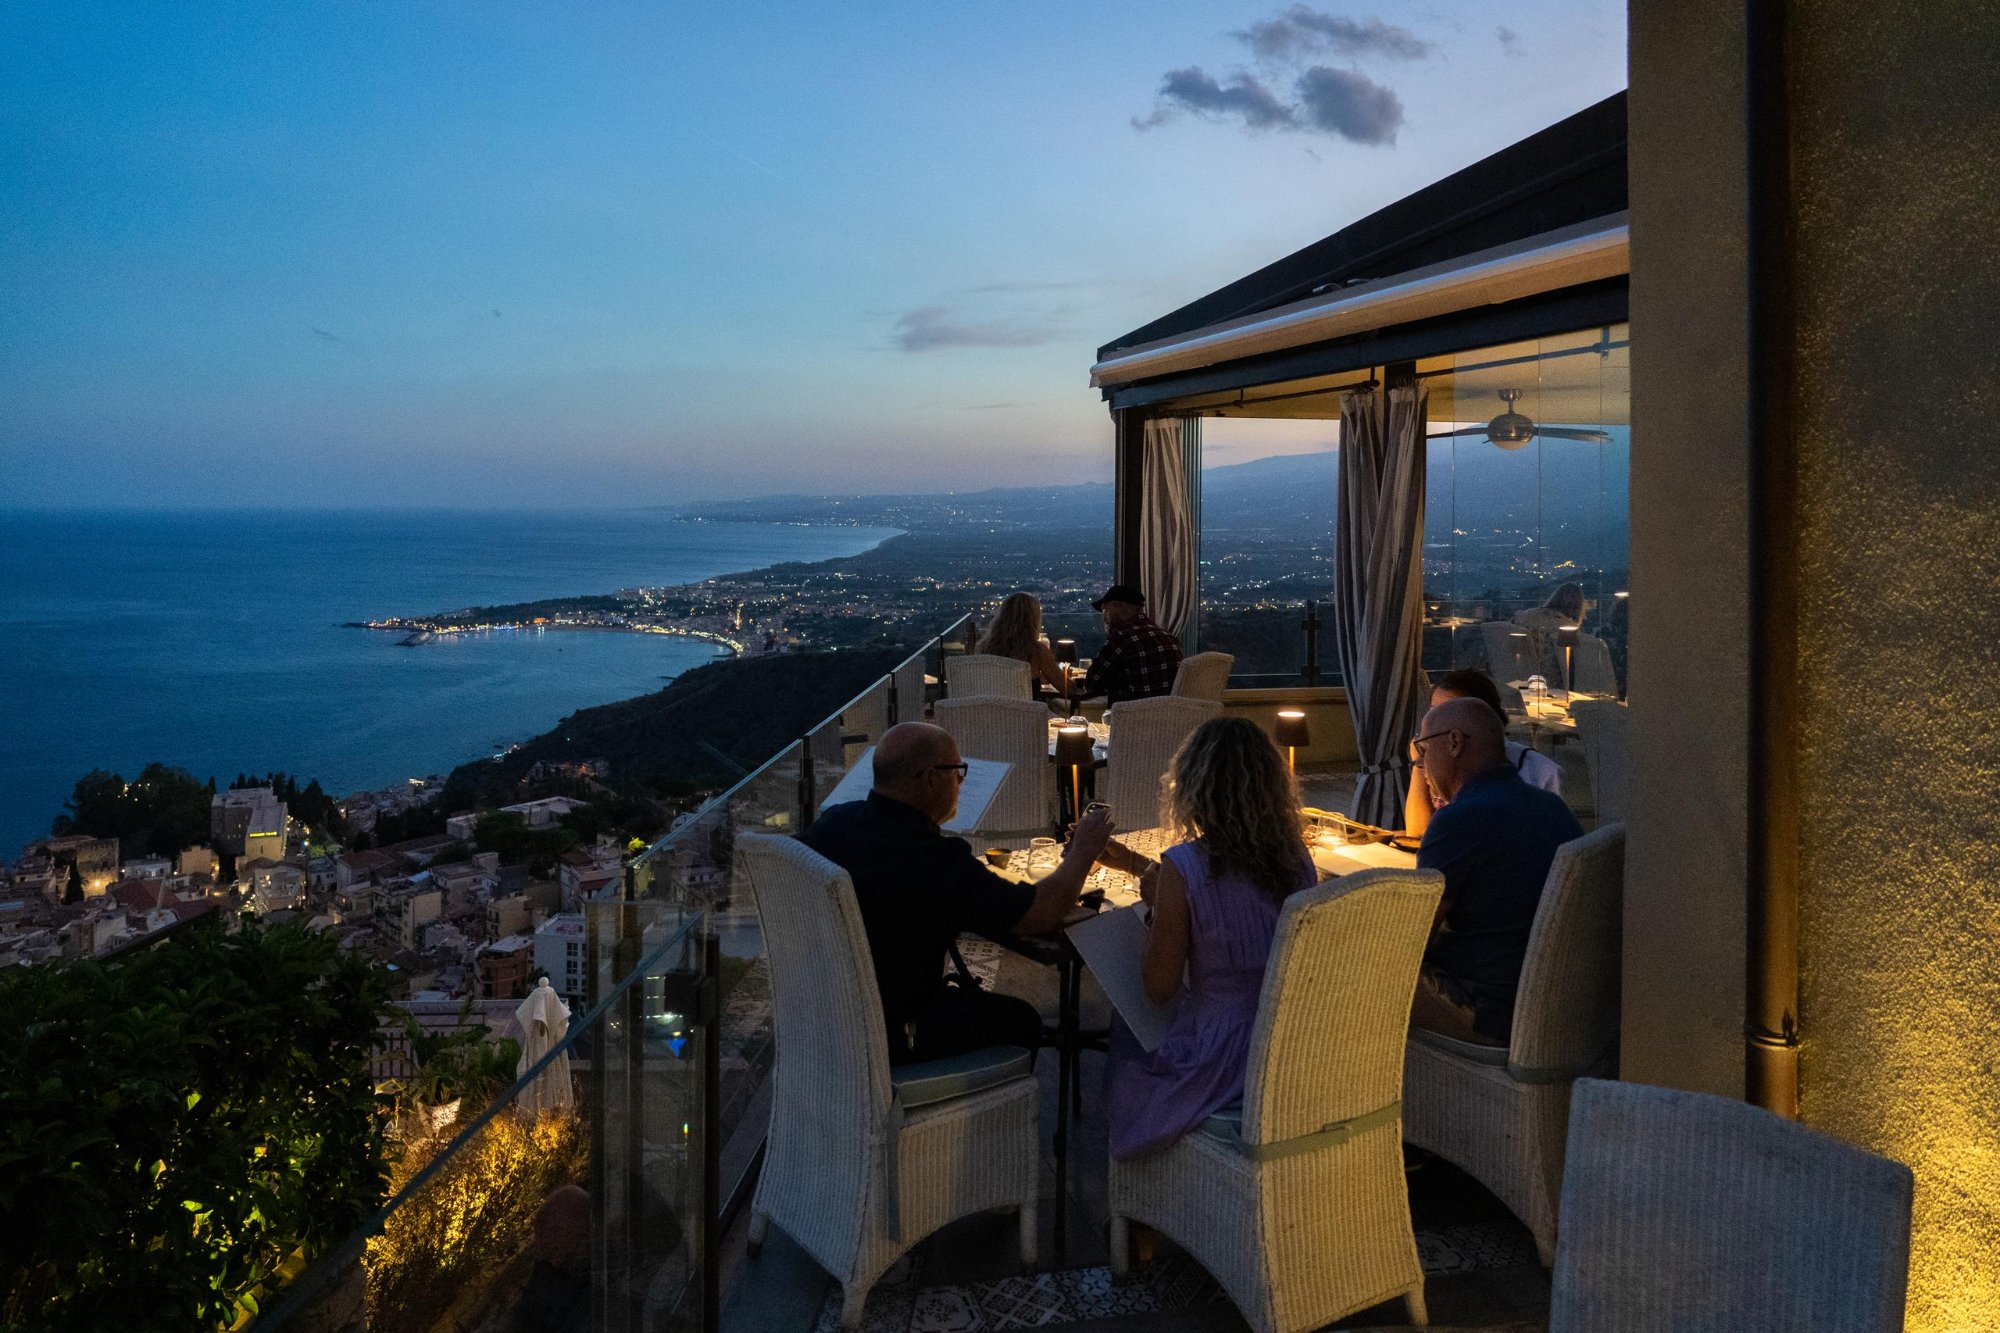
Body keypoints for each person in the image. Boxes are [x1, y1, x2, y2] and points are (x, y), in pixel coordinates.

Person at [800, 721, 1114, 1064]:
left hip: (828, 1013)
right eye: (957, 772)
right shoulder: (935, 859)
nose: (960, 784)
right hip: (899, 1032)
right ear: (932, 778)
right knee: (1023, 1020)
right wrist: (1084, 850)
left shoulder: (833, 823)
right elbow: (1041, 912)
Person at [1105, 716, 1317, 1159]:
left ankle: (1145, 1201)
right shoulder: (1297, 859)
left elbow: (1158, 989)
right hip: (1289, 1038)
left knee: (1126, 1041)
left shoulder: (1184, 866)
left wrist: (1158, 913)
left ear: (1194, 787)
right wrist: (1139, 869)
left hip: (1222, 1053)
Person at [1408, 697, 1583, 1046]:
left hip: (1488, 1010)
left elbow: (1412, 940)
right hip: (1555, 1006)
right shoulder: (1552, 807)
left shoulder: (1460, 820)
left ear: (1454, 743)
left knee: (1352, 975)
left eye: (1423, 750)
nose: (1422, 763)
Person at [1403, 667, 1561, 838]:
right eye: (1433, 712)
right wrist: (1421, 761)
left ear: (1482, 718)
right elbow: (1417, 831)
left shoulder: (1541, 773)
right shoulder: (1438, 761)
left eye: (1450, 714)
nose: (1436, 723)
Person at [1073, 584, 1183, 705]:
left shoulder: (1121, 638)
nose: (1104, 617)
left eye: (1105, 610)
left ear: (1121, 607)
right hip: (1171, 717)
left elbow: (1092, 684)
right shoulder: (1168, 636)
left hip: (1131, 718)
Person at [975, 592, 1067, 698]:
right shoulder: (1036, 650)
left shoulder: (982, 648)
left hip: (990, 712)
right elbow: (1067, 689)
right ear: (1033, 620)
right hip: (1028, 713)